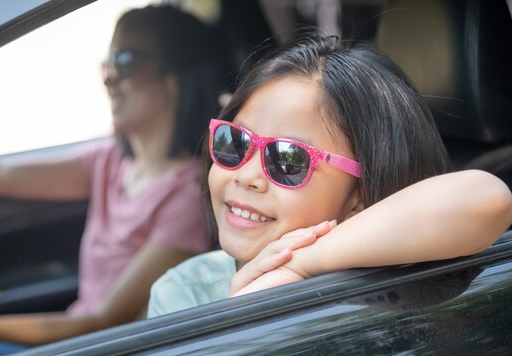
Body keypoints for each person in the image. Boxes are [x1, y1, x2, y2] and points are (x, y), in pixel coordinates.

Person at [0, 5, 227, 356]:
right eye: (107, 65)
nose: (109, 79)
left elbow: (105, 323)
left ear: (174, 78)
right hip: (64, 345)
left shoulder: (184, 198)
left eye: (124, 62)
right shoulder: (110, 160)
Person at [147, 34, 512, 317]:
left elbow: (487, 197)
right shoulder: (184, 290)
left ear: (359, 197)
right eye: (235, 142)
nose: (246, 175)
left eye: (288, 160)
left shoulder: (398, 270)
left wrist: (297, 266)